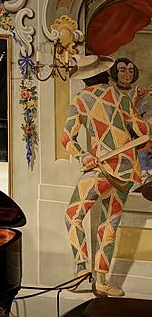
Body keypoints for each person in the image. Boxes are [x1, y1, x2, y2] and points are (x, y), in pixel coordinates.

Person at [62, 54, 150, 297]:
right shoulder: (121, 97)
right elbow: (142, 130)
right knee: (108, 226)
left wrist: (83, 156)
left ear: (84, 78)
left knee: (73, 215)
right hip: (126, 172)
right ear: (104, 73)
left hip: (102, 168)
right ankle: (101, 281)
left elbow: (66, 139)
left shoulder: (81, 99)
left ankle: (81, 267)